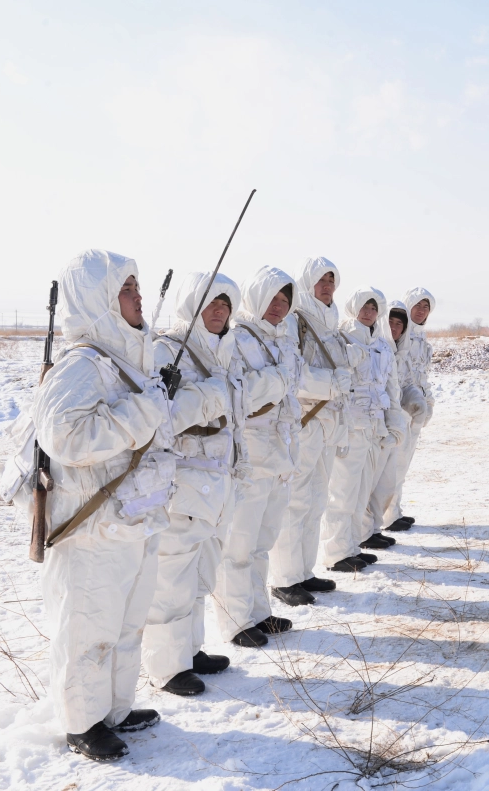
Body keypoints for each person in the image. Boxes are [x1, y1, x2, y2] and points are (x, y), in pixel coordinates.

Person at [30, 250, 176, 760]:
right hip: (91, 528)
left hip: (128, 521)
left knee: (125, 622)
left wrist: (154, 401)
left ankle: (113, 709)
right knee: (89, 625)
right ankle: (82, 722)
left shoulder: (127, 358)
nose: (139, 297)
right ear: (100, 299)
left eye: (138, 287)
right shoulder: (81, 364)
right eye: (128, 288)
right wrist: (146, 408)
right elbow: (68, 438)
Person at [142, 272, 240, 695]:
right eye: (211, 304)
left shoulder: (224, 352)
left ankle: (191, 649)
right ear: (191, 305)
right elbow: (162, 411)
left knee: (202, 571)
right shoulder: (168, 349)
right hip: (183, 478)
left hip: (218, 480)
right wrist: (210, 399)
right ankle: (167, 667)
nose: (218, 312)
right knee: (173, 576)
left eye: (225, 305)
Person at [213, 266, 303, 647]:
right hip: (250, 451)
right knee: (239, 544)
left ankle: (258, 611)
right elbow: (238, 392)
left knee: (263, 539)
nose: (279, 307)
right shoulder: (237, 340)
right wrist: (276, 382)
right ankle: (235, 621)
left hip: (279, 452)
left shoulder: (285, 340)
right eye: (273, 299)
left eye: (285, 301)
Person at [270, 258, 364, 605]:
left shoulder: (330, 324)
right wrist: (332, 383)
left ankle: (303, 572)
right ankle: (284, 578)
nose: (327, 285)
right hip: (304, 422)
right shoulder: (296, 321)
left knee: (315, 501)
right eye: (321, 280)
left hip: (326, 424)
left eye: (331, 280)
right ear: (307, 283)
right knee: (294, 502)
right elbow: (294, 374)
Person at [321, 288, 406, 572]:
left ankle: (351, 546)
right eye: (364, 306)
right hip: (349, 429)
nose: (368, 312)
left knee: (361, 493)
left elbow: (391, 388)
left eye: (373, 307)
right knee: (342, 495)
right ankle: (335, 553)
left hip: (373, 429)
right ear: (354, 308)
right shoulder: (341, 339)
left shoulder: (382, 346)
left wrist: (395, 422)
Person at [366, 288, 435, 536]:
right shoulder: (387, 343)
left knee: (400, 467)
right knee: (388, 469)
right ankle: (386, 515)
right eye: (417, 305)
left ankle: (392, 512)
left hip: (410, 410)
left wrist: (426, 401)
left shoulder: (420, 341)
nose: (421, 311)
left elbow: (419, 376)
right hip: (394, 412)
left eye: (426, 307)